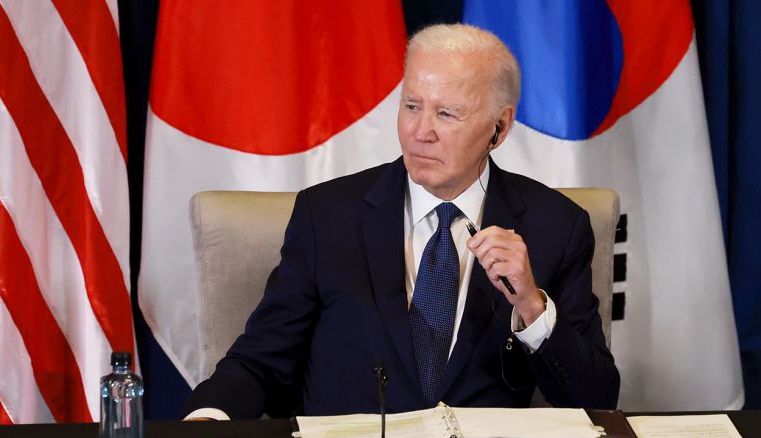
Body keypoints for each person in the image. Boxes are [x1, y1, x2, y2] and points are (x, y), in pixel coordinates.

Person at [181, 23, 620, 420]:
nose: (420, 132)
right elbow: (260, 362)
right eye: (412, 106)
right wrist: (206, 419)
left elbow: (596, 399)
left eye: (446, 114)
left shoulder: (555, 227)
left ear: (499, 128)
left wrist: (532, 307)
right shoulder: (327, 216)